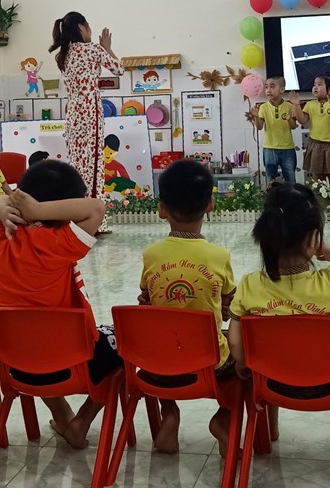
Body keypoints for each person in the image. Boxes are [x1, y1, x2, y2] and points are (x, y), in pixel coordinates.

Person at [227, 183, 330, 457]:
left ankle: (270, 432)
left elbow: (235, 341)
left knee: (267, 353)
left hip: (272, 381)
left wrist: (243, 361)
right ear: (313, 239)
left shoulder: (250, 285)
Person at [0, 160, 116, 450]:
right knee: (124, 343)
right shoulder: (58, 242)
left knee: (36, 342)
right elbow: (96, 208)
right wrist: (38, 211)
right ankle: (81, 421)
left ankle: (62, 416)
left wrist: (7, 208)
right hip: (73, 363)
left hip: (18, 364)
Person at [139, 160, 236, 455]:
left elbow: (147, 299)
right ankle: (223, 417)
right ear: (210, 205)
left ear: (162, 210)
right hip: (209, 364)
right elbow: (228, 306)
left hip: (159, 365)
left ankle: (169, 412)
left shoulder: (151, 255)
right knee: (242, 360)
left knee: (164, 341)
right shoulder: (219, 256)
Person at [49, 10, 124, 235]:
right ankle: (94, 222)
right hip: (90, 113)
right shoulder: (92, 49)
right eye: (88, 26)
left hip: (73, 114)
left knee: (78, 166)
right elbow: (119, 69)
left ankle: (76, 218)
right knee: (95, 167)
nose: (90, 30)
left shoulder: (63, 55)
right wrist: (107, 47)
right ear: (81, 27)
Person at [289, 75, 330, 188]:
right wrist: (296, 105)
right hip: (315, 145)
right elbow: (302, 120)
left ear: (329, 89)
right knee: (318, 178)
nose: (315, 87)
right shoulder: (310, 104)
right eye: (314, 85)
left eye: (319, 85)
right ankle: (320, 198)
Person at [250, 76, 298, 184]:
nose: (268, 90)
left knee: (290, 179)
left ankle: (291, 195)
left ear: (282, 89)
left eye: (272, 87)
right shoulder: (263, 107)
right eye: (266, 87)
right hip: (269, 148)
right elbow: (259, 127)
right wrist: (256, 117)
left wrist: (289, 119)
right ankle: (271, 195)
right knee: (270, 180)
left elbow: (293, 126)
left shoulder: (289, 106)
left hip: (287, 148)